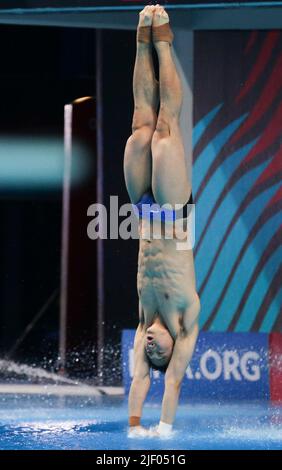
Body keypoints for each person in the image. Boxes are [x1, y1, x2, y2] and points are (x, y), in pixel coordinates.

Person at [123, 4, 200, 437]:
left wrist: (135, 426)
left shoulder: (142, 319)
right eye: (158, 353)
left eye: (146, 351)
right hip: (174, 212)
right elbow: (169, 381)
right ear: (173, 349)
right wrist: (162, 430)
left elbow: (140, 379)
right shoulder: (185, 320)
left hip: (144, 210)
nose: (150, 348)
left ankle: (141, 37)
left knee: (140, 126)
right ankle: (164, 42)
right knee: (166, 129)